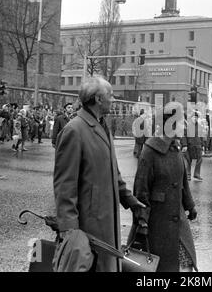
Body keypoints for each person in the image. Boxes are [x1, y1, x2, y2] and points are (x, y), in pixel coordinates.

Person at [53, 76, 145, 272]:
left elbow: (113, 174)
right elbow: (64, 186)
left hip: (106, 225)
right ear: (97, 99)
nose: (114, 99)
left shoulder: (102, 125)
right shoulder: (74, 130)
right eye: (110, 95)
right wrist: (69, 230)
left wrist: (130, 200)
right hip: (88, 229)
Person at [129, 109, 198, 272]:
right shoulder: (150, 150)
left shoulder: (176, 148)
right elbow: (141, 189)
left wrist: (190, 206)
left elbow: (183, 183)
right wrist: (142, 220)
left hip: (178, 218)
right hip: (157, 223)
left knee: (186, 264)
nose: (185, 127)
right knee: (159, 266)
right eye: (182, 123)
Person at [181, 112, 205, 181]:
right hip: (189, 146)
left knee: (200, 159)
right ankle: (188, 175)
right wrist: (184, 145)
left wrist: (203, 145)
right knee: (188, 160)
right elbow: (184, 136)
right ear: (191, 118)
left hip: (198, 145)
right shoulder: (187, 126)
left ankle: (197, 174)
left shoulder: (199, 126)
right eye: (194, 117)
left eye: (196, 117)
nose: (195, 118)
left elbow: (201, 136)